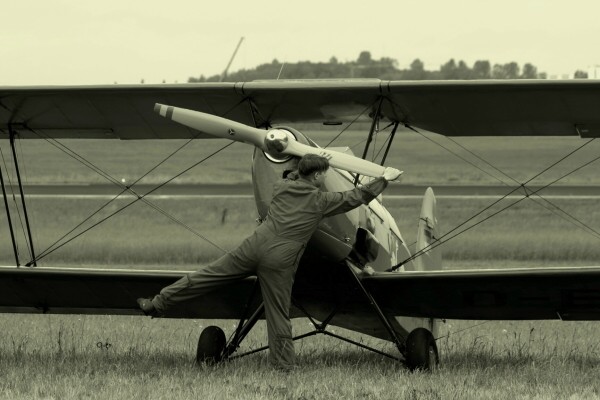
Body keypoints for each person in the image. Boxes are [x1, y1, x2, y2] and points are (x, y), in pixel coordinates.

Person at [137, 154, 402, 371]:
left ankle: (156, 304)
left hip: (252, 247)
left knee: (205, 276)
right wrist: (384, 180)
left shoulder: (281, 188)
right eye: (323, 174)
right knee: (277, 314)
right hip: (280, 259)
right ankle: (283, 366)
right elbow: (356, 197)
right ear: (319, 176)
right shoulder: (320, 201)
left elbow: (291, 174)